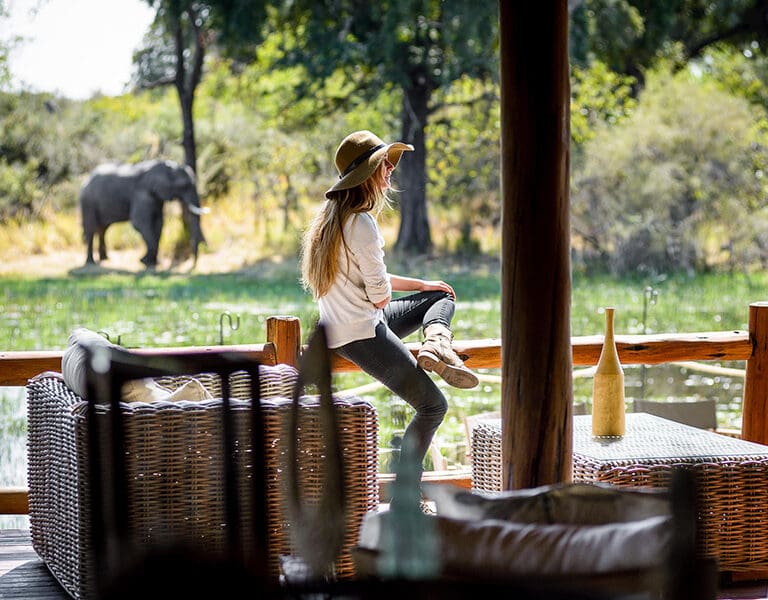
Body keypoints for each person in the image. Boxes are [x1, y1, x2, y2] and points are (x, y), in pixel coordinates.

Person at [300, 129, 479, 471]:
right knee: (433, 407)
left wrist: (422, 284)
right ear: (367, 175)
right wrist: (389, 288)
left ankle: (436, 343)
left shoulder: (331, 219)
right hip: (362, 334)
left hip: (343, 327)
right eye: (384, 165)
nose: (389, 171)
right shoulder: (363, 224)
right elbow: (381, 297)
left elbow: (368, 283)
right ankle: (405, 500)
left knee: (439, 294)